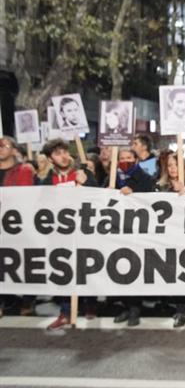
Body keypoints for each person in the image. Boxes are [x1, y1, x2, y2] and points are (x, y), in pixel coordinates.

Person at [38, 138, 98, 330]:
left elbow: (100, 197)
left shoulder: (82, 172)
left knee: (87, 268)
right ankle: (65, 312)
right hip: (59, 234)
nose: (63, 156)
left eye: (64, 152)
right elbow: (40, 205)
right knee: (64, 271)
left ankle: (90, 304)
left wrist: (87, 182)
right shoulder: (46, 180)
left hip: (84, 231)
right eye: (57, 154)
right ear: (50, 158)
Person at [109, 148, 155, 326]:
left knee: (133, 268)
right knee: (119, 268)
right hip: (117, 230)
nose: (125, 160)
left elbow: (149, 194)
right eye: (122, 158)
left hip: (137, 229)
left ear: (136, 160)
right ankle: (125, 306)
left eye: (129, 158)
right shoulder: (113, 176)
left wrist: (134, 191)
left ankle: (135, 309)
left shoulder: (144, 177)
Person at [155, 152, 185, 327]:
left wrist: (184, 192)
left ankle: (182, 309)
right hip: (165, 236)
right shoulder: (159, 186)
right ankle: (167, 302)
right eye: (170, 165)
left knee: (181, 272)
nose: (173, 169)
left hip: (184, 237)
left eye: (176, 165)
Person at [0, 136, 36, 318]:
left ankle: (27, 300)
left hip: (20, 226)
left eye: (4, 145)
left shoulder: (24, 171)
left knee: (24, 263)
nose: (0, 148)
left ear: (14, 150)